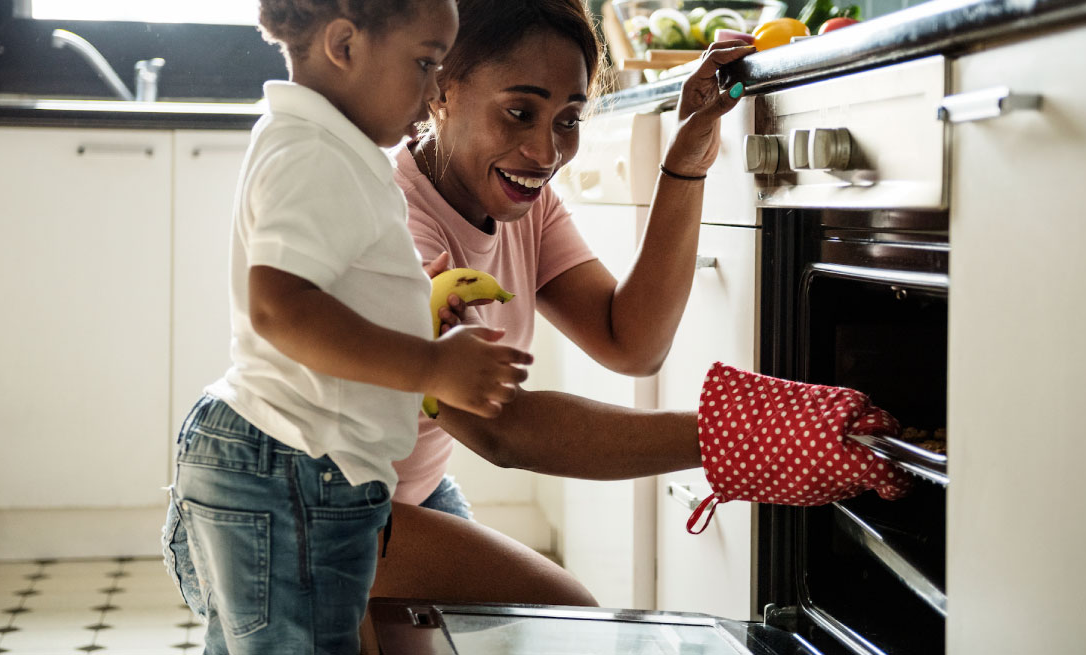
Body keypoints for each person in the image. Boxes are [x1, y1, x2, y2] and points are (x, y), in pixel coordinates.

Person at [160, 1, 535, 653]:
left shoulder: (323, 144)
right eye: (424, 62)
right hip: (293, 462)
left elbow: (328, 291)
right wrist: (432, 367)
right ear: (343, 44)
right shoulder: (317, 153)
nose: (434, 87)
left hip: (284, 458)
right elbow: (281, 306)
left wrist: (415, 316)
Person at [367, 0, 754, 614]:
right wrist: (737, 434)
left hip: (406, 494)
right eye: (520, 112)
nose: (545, 153)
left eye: (567, 119)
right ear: (441, 89)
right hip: (299, 503)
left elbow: (632, 343)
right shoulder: (398, 230)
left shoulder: (524, 204)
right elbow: (501, 429)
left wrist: (687, 159)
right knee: (561, 613)